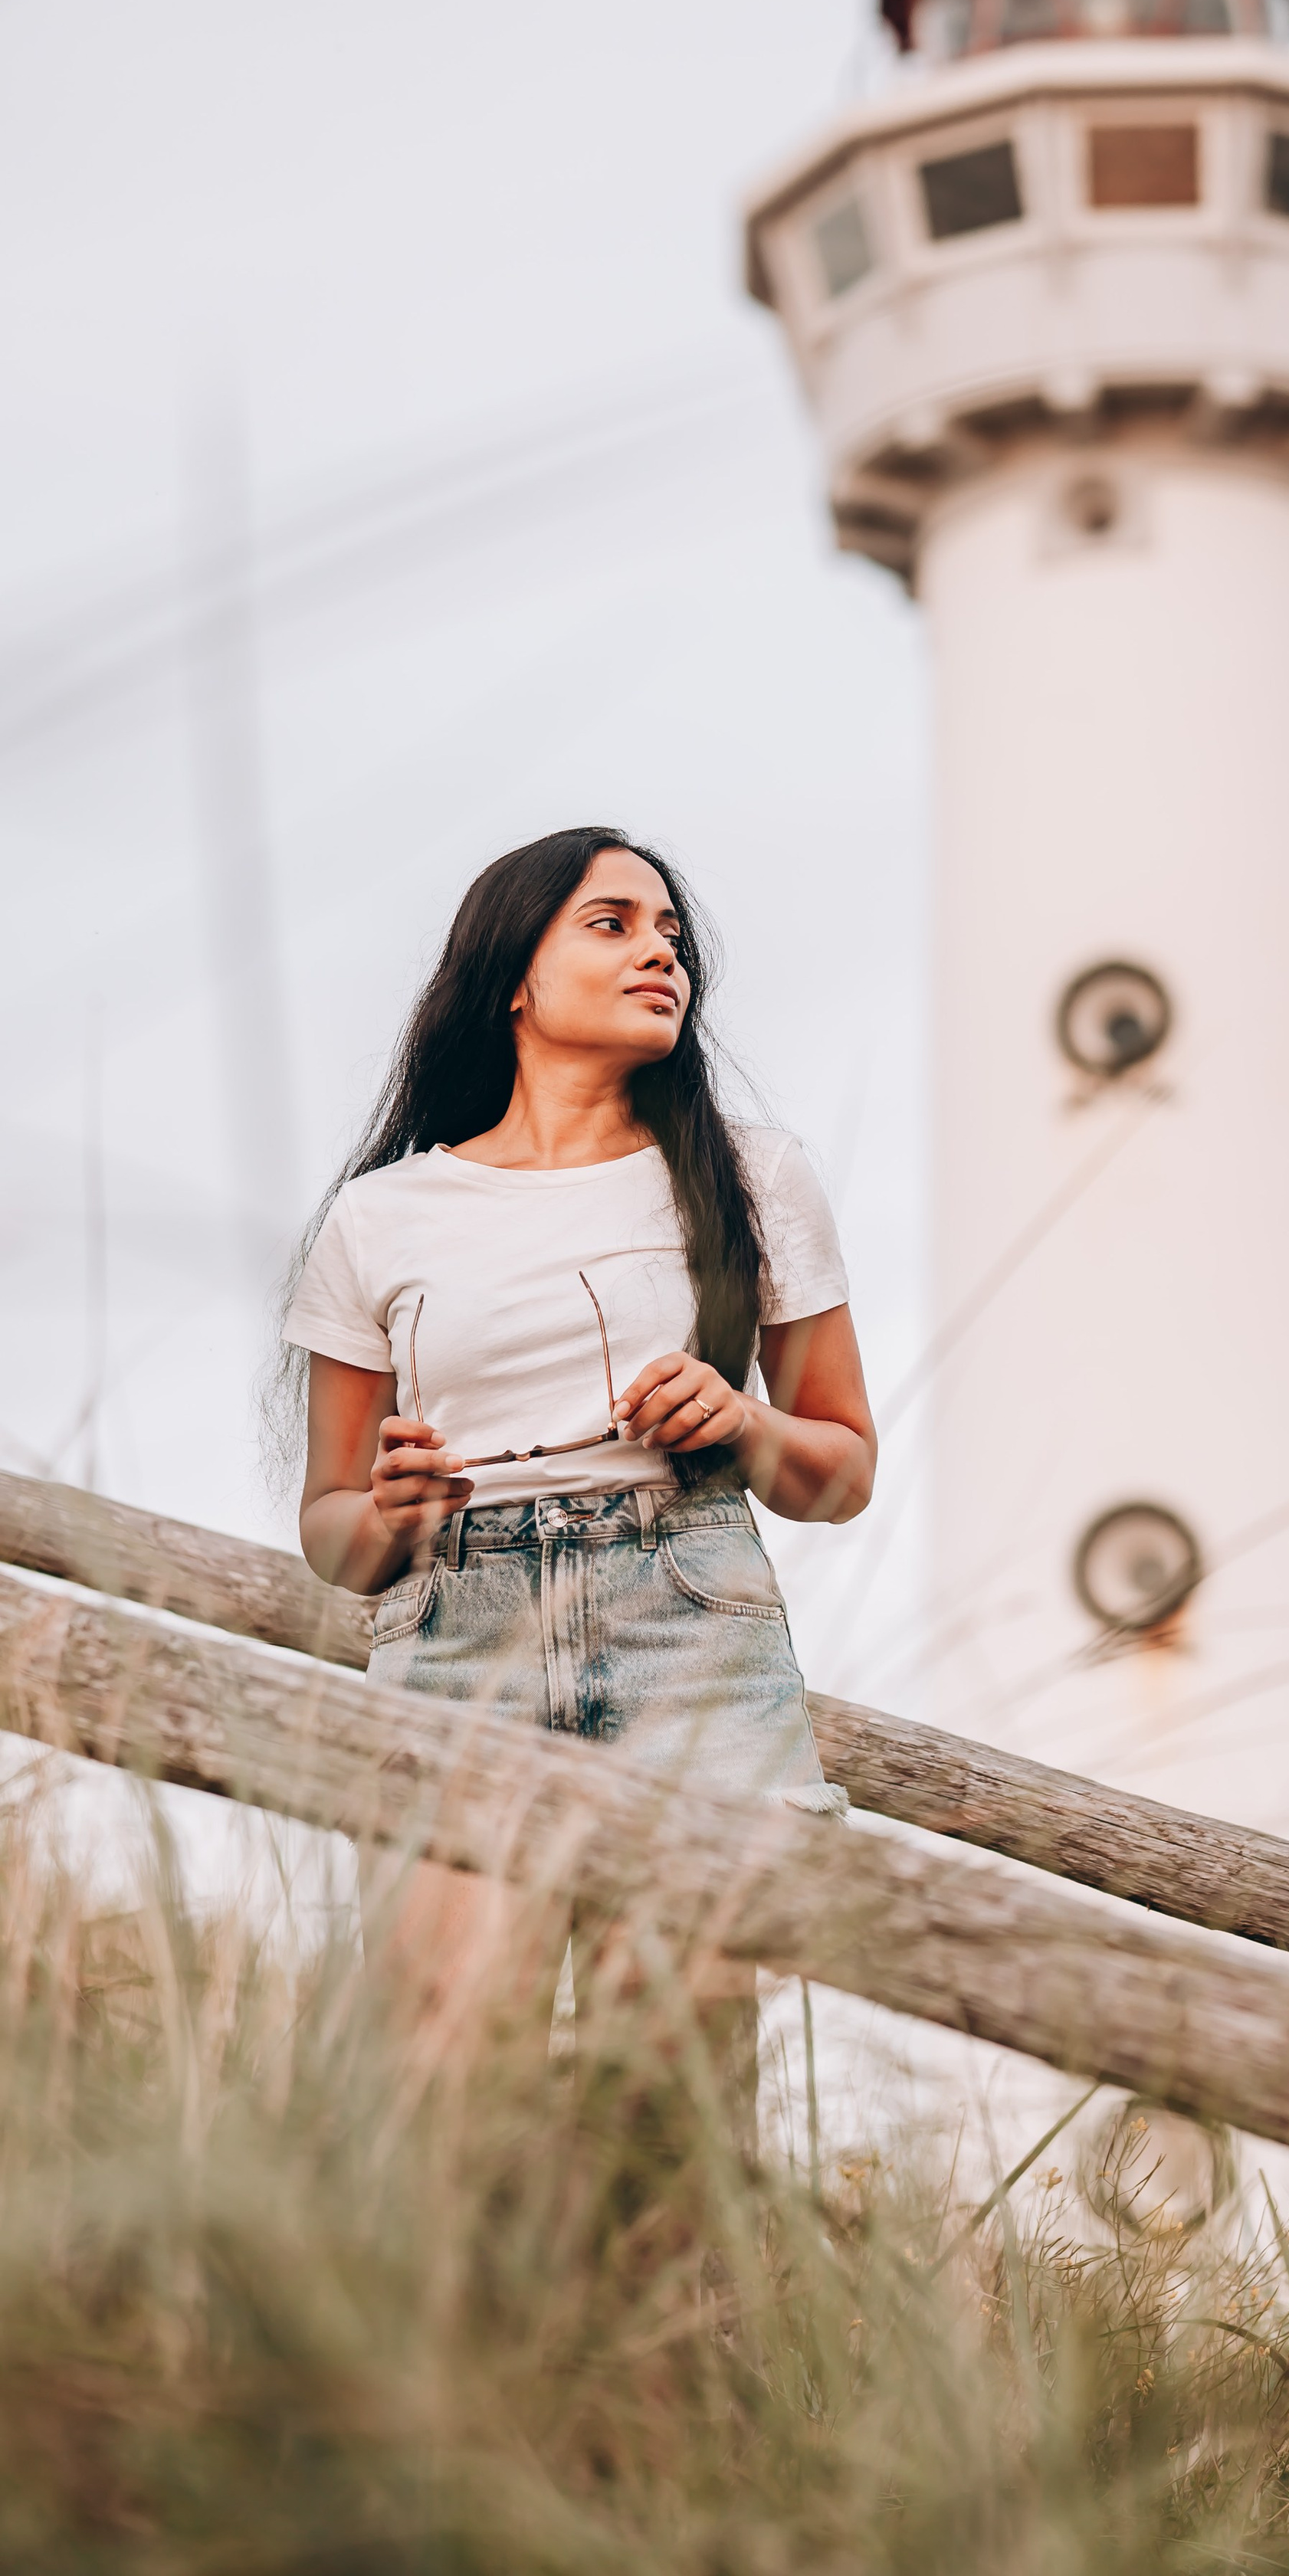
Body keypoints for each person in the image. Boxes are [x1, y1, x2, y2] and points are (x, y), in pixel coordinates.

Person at [284, 824, 875, 2038]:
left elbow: (844, 1471)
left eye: (672, 936)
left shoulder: (753, 1177)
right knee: (449, 2085)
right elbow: (331, 1532)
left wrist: (746, 1423)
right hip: (456, 1637)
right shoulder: (380, 1218)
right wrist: (388, 1515)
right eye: (612, 926)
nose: (660, 955)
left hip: (688, 1626)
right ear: (511, 979)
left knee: (668, 2103)